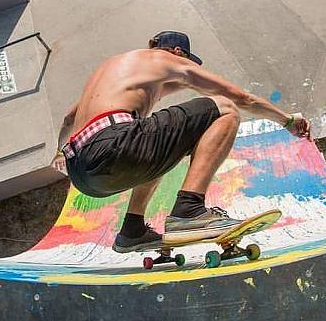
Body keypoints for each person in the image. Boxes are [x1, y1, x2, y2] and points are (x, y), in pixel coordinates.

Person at [54, 31, 311, 252]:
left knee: (164, 143)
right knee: (225, 108)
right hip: (115, 147)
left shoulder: (113, 70)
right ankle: (189, 211)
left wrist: (58, 152)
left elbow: (68, 118)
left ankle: (132, 230)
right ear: (178, 52)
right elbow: (242, 98)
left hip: (82, 172)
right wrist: (286, 121)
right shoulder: (163, 59)